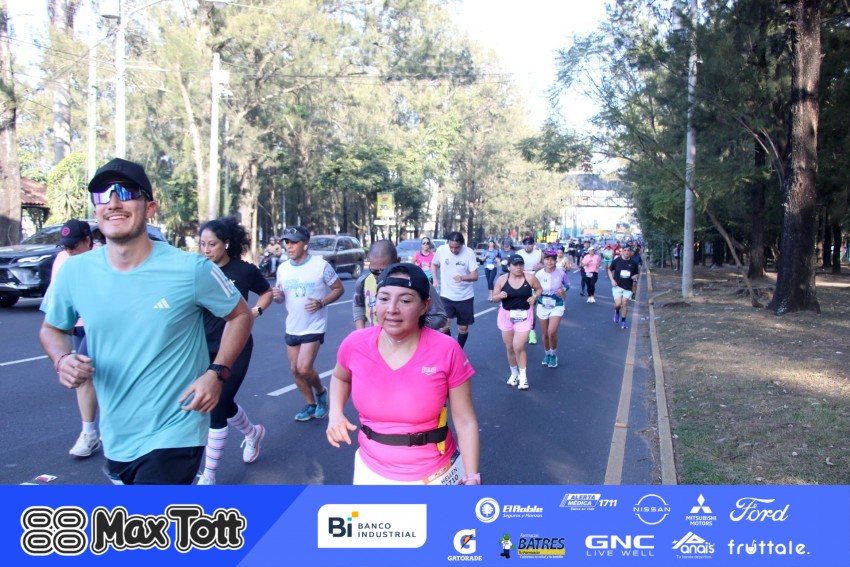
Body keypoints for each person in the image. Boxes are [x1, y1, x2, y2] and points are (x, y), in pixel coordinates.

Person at [39, 157, 253, 485]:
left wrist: (217, 373)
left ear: (150, 207)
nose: (113, 202)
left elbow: (240, 315)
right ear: (96, 210)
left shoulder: (191, 269)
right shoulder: (74, 271)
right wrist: (62, 358)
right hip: (117, 432)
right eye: (102, 194)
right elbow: (52, 328)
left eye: (126, 192)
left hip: (176, 428)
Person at [326, 263, 480, 485]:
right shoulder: (355, 343)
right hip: (369, 470)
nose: (391, 309)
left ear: (425, 306)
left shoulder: (447, 350)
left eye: (405, 301)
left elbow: (465, 420)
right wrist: (335, 413)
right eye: (384, 298)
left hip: (434, 474)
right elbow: (340, 377)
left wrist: (472, 475)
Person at [196, 217, 274, 485]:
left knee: (217, 405)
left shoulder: (243, 270)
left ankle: (209, 476)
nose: (206, 250)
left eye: (212, 244)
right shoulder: (198, 270)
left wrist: (255, 311)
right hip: (203, 347)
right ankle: (252, 433)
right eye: (202, 244)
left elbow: (266, 292)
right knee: (223, 401)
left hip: (236, 346)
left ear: (226, 243)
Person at [273, 225, 344, 421]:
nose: (289, 246)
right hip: (292, 325)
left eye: (293, 242)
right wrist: (277, 296)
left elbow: (339, 288)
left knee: (304, 368)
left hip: (314, 325)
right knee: (295, 370)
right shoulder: (283, 269)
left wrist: (322, 302)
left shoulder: (321, 266)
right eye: (286, 242)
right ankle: (310, 404)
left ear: (305, 244)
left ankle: (321, 392)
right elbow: (281, 298)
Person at [45, 219, 100, 458]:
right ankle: (90, 433)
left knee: (97, 375)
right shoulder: (62, 260)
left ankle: (94, 432)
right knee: (84, 376)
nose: (69, 250)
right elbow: (56, 301)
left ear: (88, 240)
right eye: (65, 246)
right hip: (76, 325)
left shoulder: (104, 259)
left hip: (100, 325)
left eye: (73, 245)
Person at [353, 239, 446, 330]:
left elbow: (439, 317)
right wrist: (360, 332)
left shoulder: (416, 282)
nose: (380, 275)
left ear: (397, 261)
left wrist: (409, 330)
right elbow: (358, 304)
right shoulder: (364, 282)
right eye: (374, 271)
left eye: (385, 270)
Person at [493, 254, 542, 390]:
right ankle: (514, 373)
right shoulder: (502, 280)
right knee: (509, 347)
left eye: (521, 264)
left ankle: (523, 377)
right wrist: (499, 296)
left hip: (524, 315)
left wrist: (534, 297)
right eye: (515, 265)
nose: (519, 267)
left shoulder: (530, 278)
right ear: (509, 267)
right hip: (506, 315)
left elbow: (539, 289)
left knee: (518, 346)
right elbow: (494, 298)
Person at [431, 232, 478, 349]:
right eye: (451, 247)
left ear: (462, 244)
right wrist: (435, 279)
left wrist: (462, 277)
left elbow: (475, 276)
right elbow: (434, 264)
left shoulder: (469, 253)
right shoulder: (441, 250)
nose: (453, 250)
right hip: (446, 295)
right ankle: (451, 348)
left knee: (463, 328)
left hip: (465, 296)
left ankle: (459, 349)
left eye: (456, 247)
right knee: (444, 325)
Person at [534, 246, 570, 368]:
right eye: (547, 259)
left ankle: (553, 355)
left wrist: (563, 290)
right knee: (545, 334)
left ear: (555, 260)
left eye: (552, 259)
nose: (549, 262)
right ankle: (547, 354)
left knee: (552, 332)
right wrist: (534, 297)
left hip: (557, 304)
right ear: (544, 260)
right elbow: (534, 288)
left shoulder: (561, 272)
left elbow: (567, 284)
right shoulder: (539, 274)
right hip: (542, 304)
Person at [516, 235, 543, 344]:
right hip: (521, 282)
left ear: (533, 244)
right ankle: (522, 330)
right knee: (520, 307)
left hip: (534, 282)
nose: (527, 246)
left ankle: (532, 332)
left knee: (531, 308)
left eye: (530, 243)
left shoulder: (539, 253)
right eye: (525, 243)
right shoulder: (519, 253)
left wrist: (541, 266)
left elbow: (546, 264)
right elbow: (512, 266)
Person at [608, 245, 640, 329]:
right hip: (617, 286)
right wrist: (612, 280)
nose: (626, 252)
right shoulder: (617, 261)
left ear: (631, 253)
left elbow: (637, 274)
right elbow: (609, 270)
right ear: (622, 252)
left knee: (625, 302)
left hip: (628, 286)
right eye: (625, 250)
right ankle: (617, 311)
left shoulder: (633, 263)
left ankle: (623, 321)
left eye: (628, 251)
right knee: (618, 304)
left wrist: (635, 276)